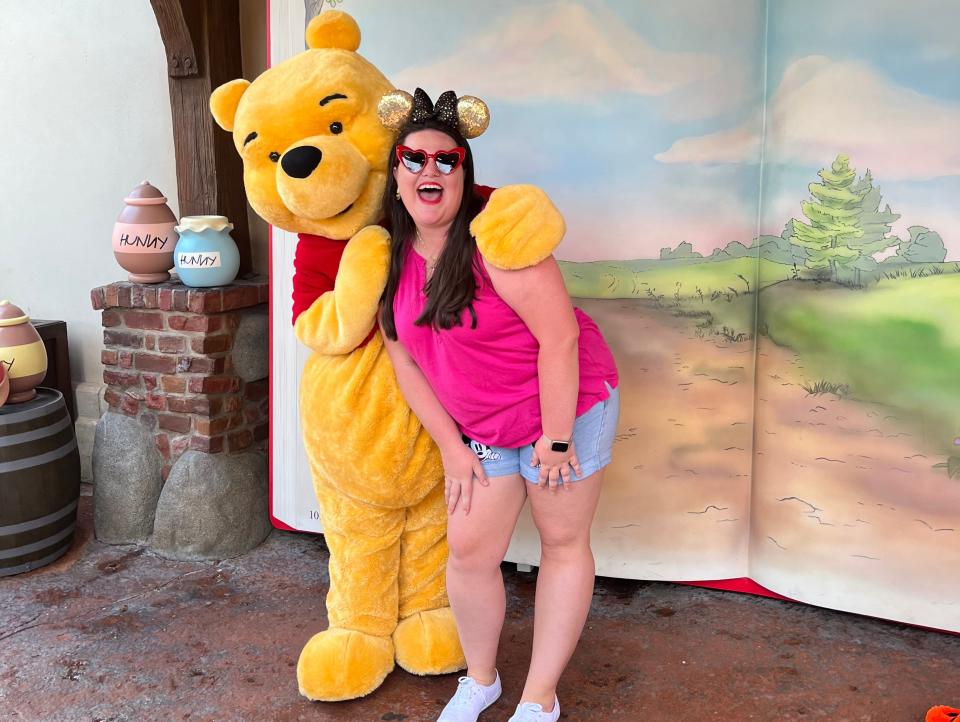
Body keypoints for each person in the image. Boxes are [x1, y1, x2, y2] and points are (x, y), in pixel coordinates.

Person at [378, 88, 620, 722]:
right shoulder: (387, 257)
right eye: (414, 158)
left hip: (563, 409)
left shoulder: (497, 245)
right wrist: (452, 449)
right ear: (396, 173)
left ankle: (540, 700)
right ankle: (480, 681)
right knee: (470, 552)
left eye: (445, 160)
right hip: (484, 427)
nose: (429, 170)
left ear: (464, 172)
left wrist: (559, 438)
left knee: (562, 542)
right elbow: (404, 360)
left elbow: (561, 338)